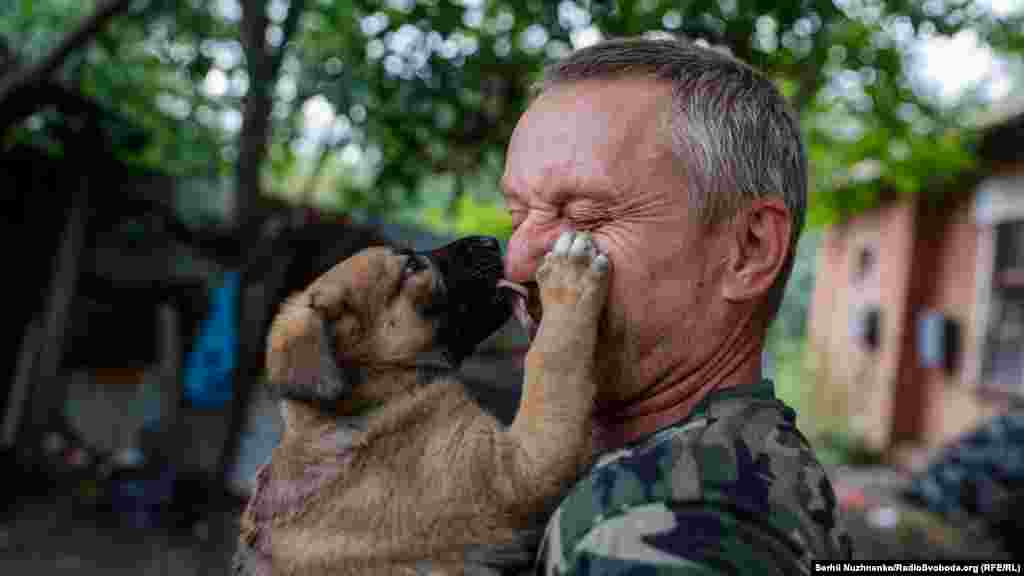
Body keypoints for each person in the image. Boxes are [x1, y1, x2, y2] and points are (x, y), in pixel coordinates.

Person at [500, 36, 853, 574]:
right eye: (516, 216)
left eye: (587, 218)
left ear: (749, 250)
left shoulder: (683, 527)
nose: (518, 264)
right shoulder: (665, 474)